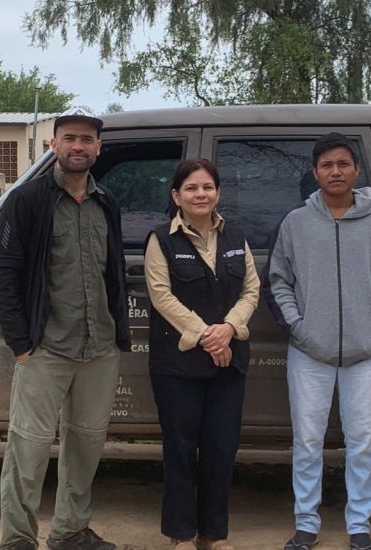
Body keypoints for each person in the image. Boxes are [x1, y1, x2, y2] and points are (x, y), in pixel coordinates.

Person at [0, 107, 130, 550]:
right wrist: (20, 343)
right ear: (53, 144)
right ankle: (17, 539)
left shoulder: (107, 202)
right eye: (69, 138)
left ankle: (70, 531)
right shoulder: (27, 200)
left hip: (99, 348)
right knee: (27, 448)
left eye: (86, 140)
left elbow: (114, 274)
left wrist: (116, 334)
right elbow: (5, 273)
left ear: (98, 148)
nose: (77, 146)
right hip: (44, 347)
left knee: (85, 446)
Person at [266, 132, 371, 550]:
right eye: (327, 165)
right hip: (309, 352)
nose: (335, 171)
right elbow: (278, 280)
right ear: (315, 172)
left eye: (343, 163)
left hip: (364, 353)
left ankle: (358, 525)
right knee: (307, 441)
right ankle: (306, 522)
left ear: (356, 169)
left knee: (361, 443)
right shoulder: (296, 222)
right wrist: (299, 326)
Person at [144, 159, 260, 550]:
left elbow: (251, 291)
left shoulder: (236, 237)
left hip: (229, 362)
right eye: (191, 188)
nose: (201, 194)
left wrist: (228, 329)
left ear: (218, 193)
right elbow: (161, 296)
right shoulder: (161, 239)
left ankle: (214, 534)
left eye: (207, 187)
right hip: (178, 366)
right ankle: (182, 533)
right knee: (180, 448)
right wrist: (208, 336)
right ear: (176, 196)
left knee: (221, 448)